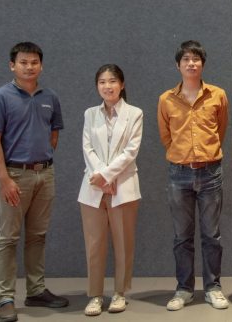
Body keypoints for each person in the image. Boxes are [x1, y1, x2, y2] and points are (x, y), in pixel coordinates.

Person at [0, 42, 69, 322]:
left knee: (37, 236)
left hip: (45, 174)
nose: (29, 67)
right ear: (12, 65)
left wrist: (41, 163)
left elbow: (53, 133)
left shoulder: (50, 97)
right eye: (23, 62)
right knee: (8, 239)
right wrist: (4, 178)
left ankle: (36, 290)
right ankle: (5, 298)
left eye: (34, 62)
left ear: (41, 66)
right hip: (14, 176)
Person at [158, 41, 229, 311]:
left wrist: (206, 154)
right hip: (179, 173)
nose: (191, 63)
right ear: (178, 65)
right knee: (182, 236)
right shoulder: (166, 99)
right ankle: (184, 289)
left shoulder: (217, 95)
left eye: (196, 59)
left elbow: (220, 129)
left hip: (210, 172)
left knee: (212, 234)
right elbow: (166, 136)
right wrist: (182, 155)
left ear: (203, 64)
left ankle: (213, 287)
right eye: (186, 59)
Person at [78, 64, 143, 316]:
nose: (108, 86)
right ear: (97, 86)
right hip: (93, 187)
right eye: (102, 82)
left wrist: (108, 175)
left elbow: (131, 151)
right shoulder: (90, 114)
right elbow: (87, 148)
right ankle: (95, 295)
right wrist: (102, 177)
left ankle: (119, 293)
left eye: (113, 81)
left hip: (123, 187)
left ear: (122, 84)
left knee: (123, 243)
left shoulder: (134, 113)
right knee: (94, 244)